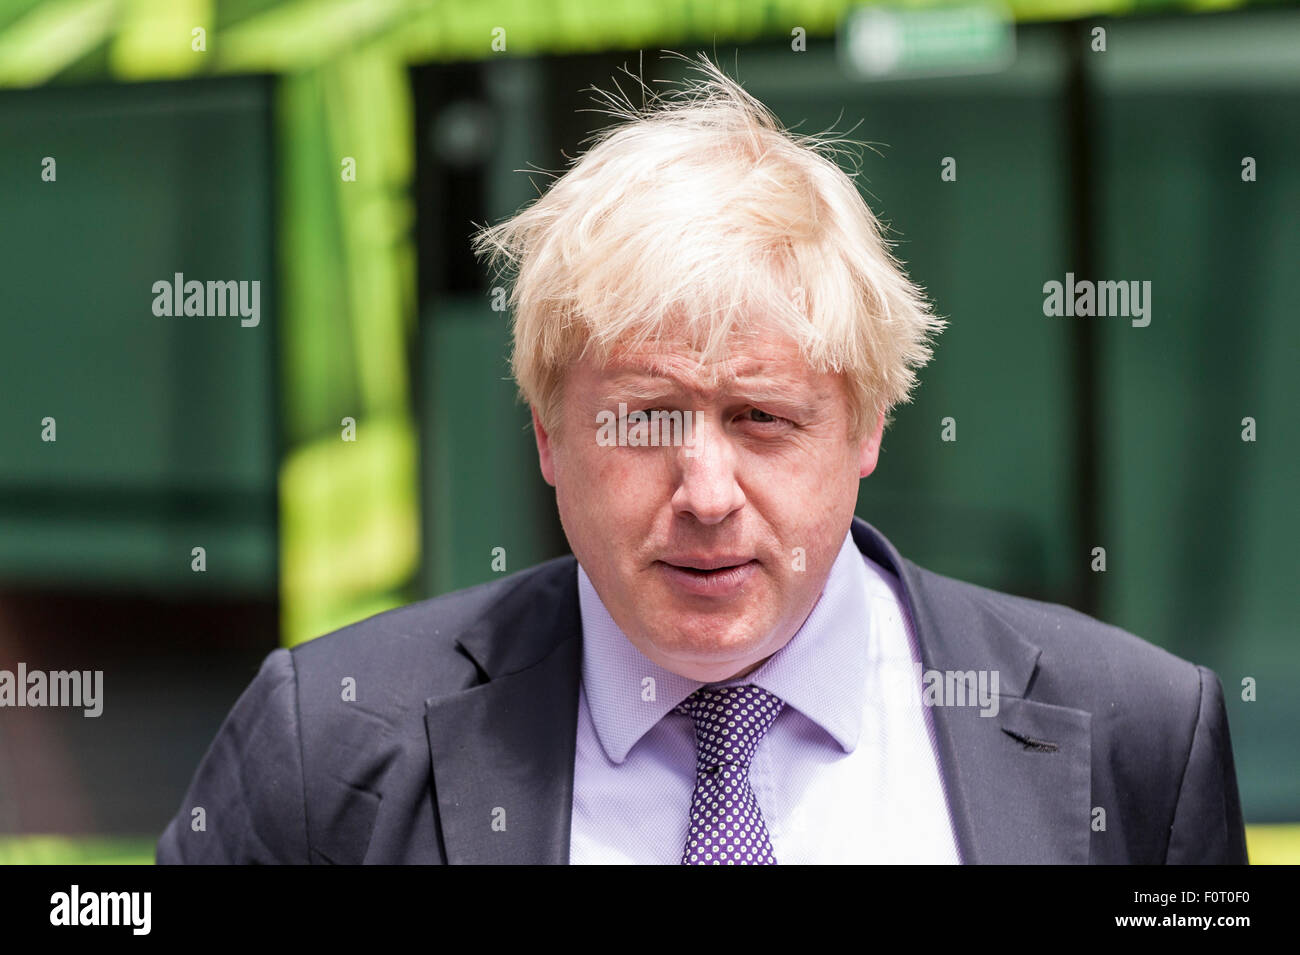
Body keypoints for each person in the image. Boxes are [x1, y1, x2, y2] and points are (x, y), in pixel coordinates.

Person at [156, 54, 1247, 865]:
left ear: (867, 424)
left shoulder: (1133, 736)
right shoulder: (328, 744)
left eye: (764, 419)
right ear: (545, 433)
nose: (707, 495)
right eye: (642, 419)